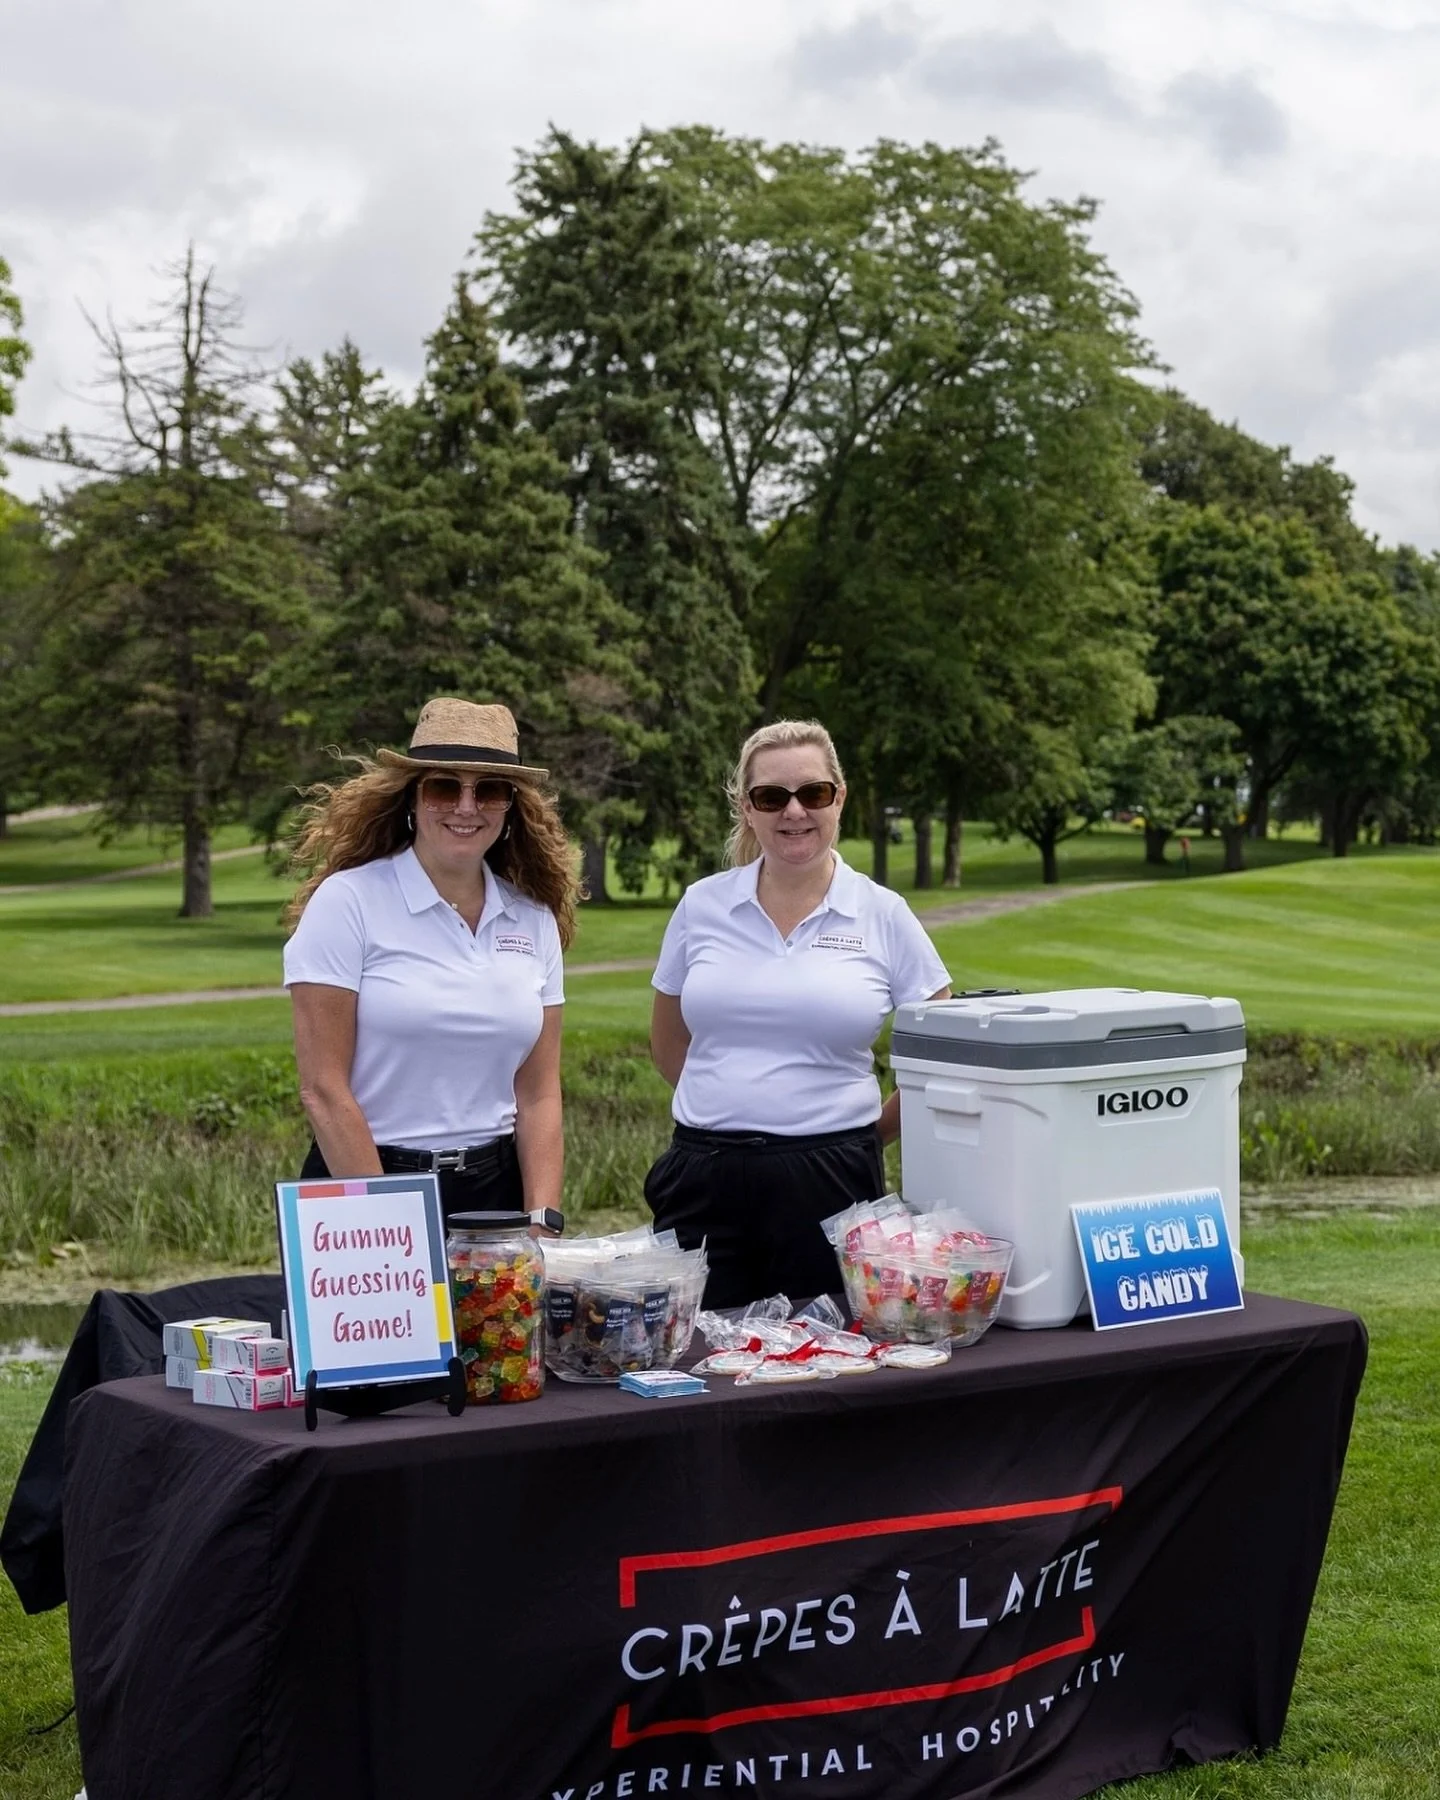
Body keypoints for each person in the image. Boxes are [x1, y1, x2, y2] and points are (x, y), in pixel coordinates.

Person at [645, 719, 952, 1307]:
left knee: (827, 1352)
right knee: (697, 1351)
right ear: (747, 808)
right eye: (771, 797)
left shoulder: (882, 913)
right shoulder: (702, 904)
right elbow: (667, 1042)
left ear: (839, 799)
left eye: (813, 793)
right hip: (703, 1178)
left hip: (832, 1182)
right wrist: (730, 1100)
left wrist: (867, 1138)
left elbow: (942, 1058)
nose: (794, 811)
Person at [282, 697, 576, 1224]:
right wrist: (391, 1224)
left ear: (510, 807)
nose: (466, 807)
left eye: (489, 790)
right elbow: (323, 1090)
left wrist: (541, 1221)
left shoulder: (533, 919)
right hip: (365, 1182)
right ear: (412, 798)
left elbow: (539, 1094)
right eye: (444, 786)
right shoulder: (347, 902)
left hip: (495, 1197)